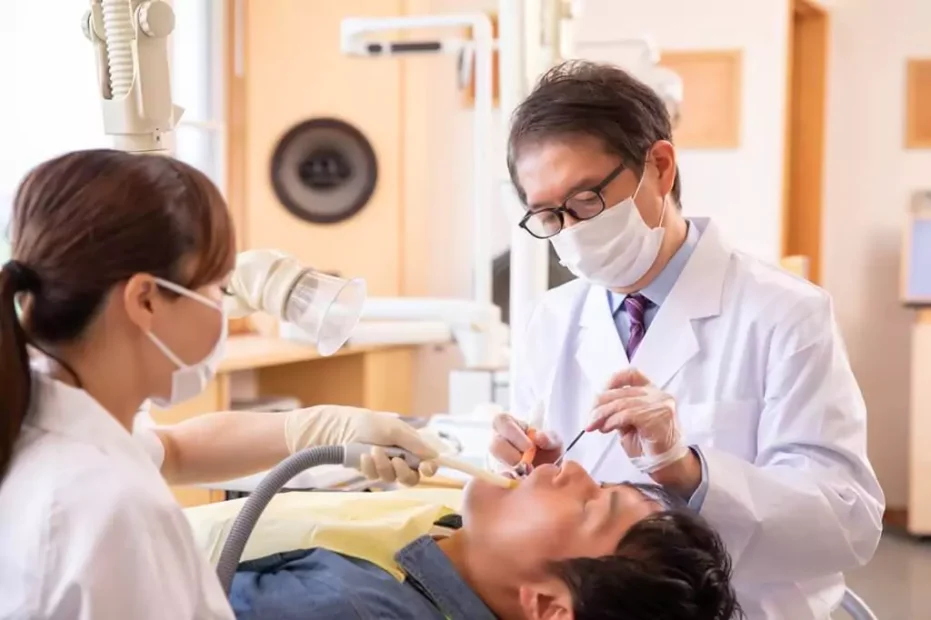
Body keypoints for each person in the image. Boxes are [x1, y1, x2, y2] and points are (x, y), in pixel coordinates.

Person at [489, 60, 885, 619]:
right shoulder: (552, 318)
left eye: (586, 203)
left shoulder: (785, 313)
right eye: (550, 217)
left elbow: (849, 522)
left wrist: (689, 470)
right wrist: (529, 470)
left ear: (660, 166)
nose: (573, 234)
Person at [0, 150, 439, 620]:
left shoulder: (34, 423)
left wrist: (319, 429)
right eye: (219, 288)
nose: (226, 309)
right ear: (145, 300)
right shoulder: (111, 507)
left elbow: (175, 449)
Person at [219, 460, 741, 620]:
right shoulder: (448, 548)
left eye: (589, 505)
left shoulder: (347, 610)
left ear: (551, 608)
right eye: (601, 483)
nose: (574, 469)